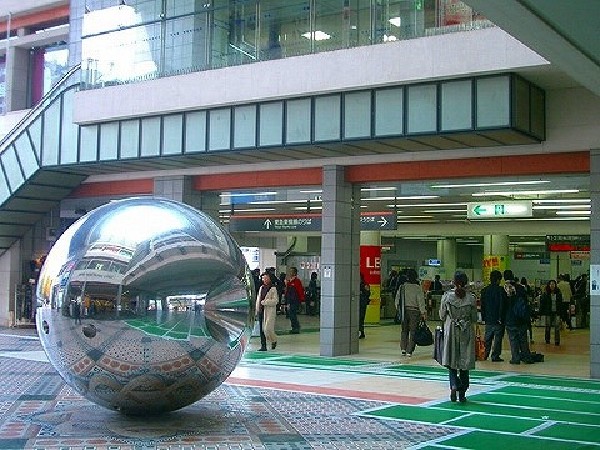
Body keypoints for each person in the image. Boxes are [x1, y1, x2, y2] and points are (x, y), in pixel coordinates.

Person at [439, 271, 477, 403]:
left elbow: (442, 316)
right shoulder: (471, 298)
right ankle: (463, 393)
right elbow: (474, 318)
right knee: (464, 363)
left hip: (452, 330)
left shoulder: (447, 297)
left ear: (453, 282)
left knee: (452, 361)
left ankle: (454, 385)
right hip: (466, 330)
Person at [504, 270, 533, 364]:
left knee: (513, 340)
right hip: (521, 318)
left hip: (510, 319)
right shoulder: (520, 288)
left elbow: (502, 305)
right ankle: (526, 357)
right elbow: (526, 302)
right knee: (523, 340)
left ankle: (515, 358)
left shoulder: (504, 289)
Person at [395, 269, 426, 356]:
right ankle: (409, 350)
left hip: (404, 311)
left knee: (404, 330)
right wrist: (423, 312)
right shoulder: (417, 288)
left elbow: (397, 300)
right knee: (413, 331)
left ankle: (403, 348)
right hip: (414, 311)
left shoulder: (402, 287)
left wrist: (398, 310)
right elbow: (420, 301)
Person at [480, 270, 507, 362]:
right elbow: (503, 305)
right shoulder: (501, 290)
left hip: (488, 318)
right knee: (498, 339)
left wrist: (483, 317)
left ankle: (485, 354)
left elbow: (482, 305)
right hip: (498, 319)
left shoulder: (484, 290)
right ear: (498, 280)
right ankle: (495, 356)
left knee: (487, 338)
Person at [256, 272, 279, 351]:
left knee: (267, 329)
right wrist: (257, 309)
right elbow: (258, 299)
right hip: (261, 311)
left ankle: (274, 340)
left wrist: (265, 302)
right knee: (261, 330)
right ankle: (263, 346)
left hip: (269, 311)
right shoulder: (261, 288)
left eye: (266, 278)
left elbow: (275, 301)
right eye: (263, 278)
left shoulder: (273, 289)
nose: (264, 280)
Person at [539, 279, 563, 346]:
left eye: (553, 284)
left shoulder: (558, 294)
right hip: (548, 312)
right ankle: (547, 339)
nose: (552, 285)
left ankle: (557, 341)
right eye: (551, 284)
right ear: (548, 285)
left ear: (555, 285)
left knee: (557, 327)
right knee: (548, 326)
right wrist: (540, 313)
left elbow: (560, 304)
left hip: (556, 312)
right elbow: (543, 303)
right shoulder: (546, 294)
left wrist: (561, 313)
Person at [285, 266, 305, 334]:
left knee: (293, 315)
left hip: (295, 301)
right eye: (290, 271)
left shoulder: (297, 281)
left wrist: (302, 300)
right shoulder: (289, 281)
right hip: (290, 301)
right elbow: (287, 292)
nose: (290, 273)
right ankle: (294, 327)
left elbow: (300, 291)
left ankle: (296, 328)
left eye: (292, 271)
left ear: (295, 273)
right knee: (291, 315)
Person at [359, 273, 371, 339]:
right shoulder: (356, 284)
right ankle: (360, 332)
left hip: (362, 304)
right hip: (359, 303)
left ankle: (362, 332)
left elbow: (368, 293)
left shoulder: (365, 285)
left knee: (361, 318)